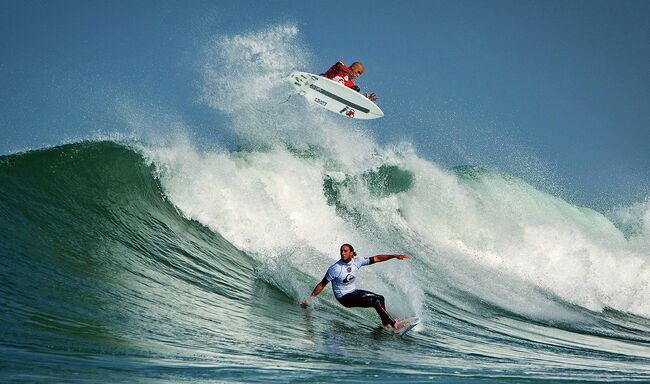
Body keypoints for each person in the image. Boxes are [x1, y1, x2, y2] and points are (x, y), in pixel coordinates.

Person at [300, 243, 410, 329]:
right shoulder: (335, 268)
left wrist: (394, 256)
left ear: (351, 253)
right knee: (375, 301)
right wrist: (311, 297)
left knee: (380, 298)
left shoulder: (357, 261)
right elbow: (322, 284)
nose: (343, 253)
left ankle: (386, 323)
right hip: (344, 297)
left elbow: (376, 258)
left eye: (345, 251)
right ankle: (394, 324)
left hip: (353, 291)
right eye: (341, 251)